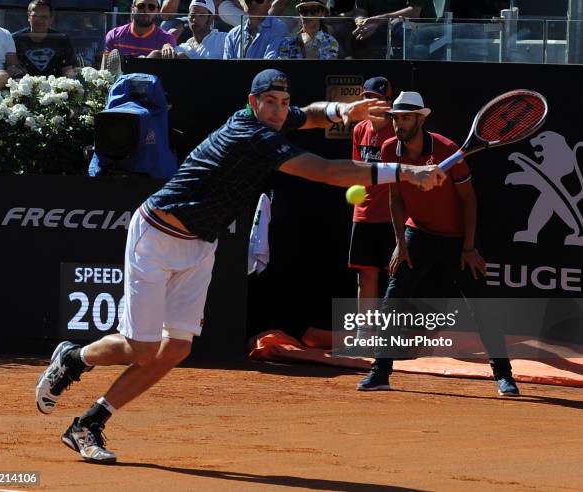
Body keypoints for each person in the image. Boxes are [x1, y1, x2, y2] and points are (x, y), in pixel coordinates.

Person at [34, 69, 446, 464]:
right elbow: (326, 171)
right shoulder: (251, 136)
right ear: (252, 103)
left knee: (176, 347)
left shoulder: (271, 120)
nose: (280, 110)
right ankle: (74, 358)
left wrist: (343, 112)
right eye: (270, 102)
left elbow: (312, 114)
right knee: (141, 349)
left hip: (200, 244)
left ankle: (89, 424)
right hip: (157, 235)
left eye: (284, 102)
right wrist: (407, 172)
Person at [356, 91, 519, 397]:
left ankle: (504, 376)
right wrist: (399, 244)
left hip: (458, 240)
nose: (398, 124)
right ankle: (380, 372)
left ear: (420, 119)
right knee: (393, 299)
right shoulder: (390, 149)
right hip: (417, 234)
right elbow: (396, 197)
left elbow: (469, 200)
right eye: (395, 118)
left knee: (482, 308)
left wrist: (469, 248)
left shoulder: (447, 150)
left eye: (405, 118)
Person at [348, 76, 395, 318]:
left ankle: (390, 336)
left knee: (395, 279)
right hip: (363, 215)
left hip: (392, 216)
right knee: (365, 277)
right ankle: (363, 336)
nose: (371, 103)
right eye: (367, 98)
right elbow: (357, 169)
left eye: (377, 99)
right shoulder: (359, 130)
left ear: (388, 102)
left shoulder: (398, 131)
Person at [101, 0, 176, 72]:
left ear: (157, 11)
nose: (145, 10)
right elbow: (104, 72)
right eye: (141, 6)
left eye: (151, 7)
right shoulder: (114, 35)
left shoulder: (167, 39)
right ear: (132, 8)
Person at [352, 0, 436, 59]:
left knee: (400, 30)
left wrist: (379, 21)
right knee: (344, 31)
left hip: (419, 29)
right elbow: (360, 10)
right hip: (376, 29)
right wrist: (361, 23)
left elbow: (414, 13)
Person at [13, 0, 77, 77]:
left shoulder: (62, 40)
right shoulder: (15, 39)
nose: (39, 21)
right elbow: (13, 69)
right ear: (28, 17)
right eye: (35, 16)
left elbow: (68, 70)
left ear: (51, 19)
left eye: (44, 17)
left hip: (55, 87)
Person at [223, 0, 290, 59]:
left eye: (259, 0)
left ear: (270, 3)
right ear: (243, 4)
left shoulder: (279, 29)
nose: (253, 3)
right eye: (248, 0)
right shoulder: (232, 35)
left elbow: (271, 64)